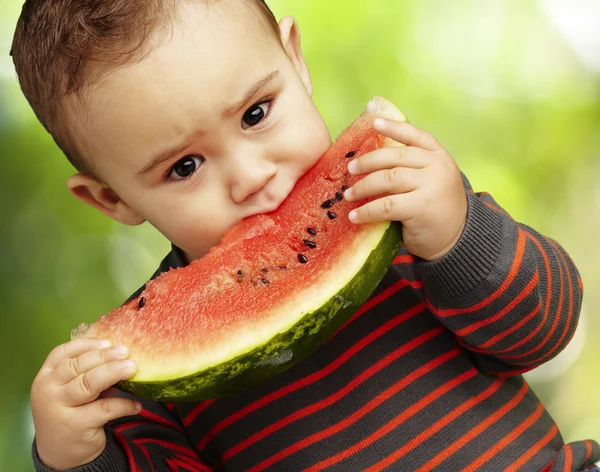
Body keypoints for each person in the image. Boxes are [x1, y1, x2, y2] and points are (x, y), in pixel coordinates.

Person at [10, 0, 600, 470]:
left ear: (296, 63)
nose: (250, 177)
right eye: (184, 167)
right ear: (111, 199)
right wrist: (80, 458)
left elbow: (548, 329)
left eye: (256, 113)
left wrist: (458, 237)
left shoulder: (403, 206)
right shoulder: (146, 375)